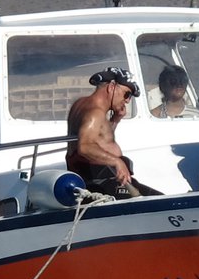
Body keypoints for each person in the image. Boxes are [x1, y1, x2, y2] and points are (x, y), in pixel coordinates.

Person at [66, 67, 161, 198]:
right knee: (166, 202)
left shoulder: (81, 104)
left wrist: (115, 119)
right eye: (127, 94)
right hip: (102, 180)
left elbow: (100, 138)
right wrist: (117, 162)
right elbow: (85, 146)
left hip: (98, 176)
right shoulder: (95, 113)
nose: (127, 100)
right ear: (111, 87)